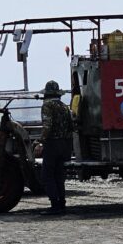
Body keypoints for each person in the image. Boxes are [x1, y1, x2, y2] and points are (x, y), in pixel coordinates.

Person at [36, 79, 73, 215]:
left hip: (53, 144)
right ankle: (62, 203)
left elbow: (47, 126)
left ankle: (54, 204)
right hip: (65, 144)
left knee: (47, 176)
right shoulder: (64, 107)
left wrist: (41, 142)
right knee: (59, 176)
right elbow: (71, 126)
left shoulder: (47, 106)